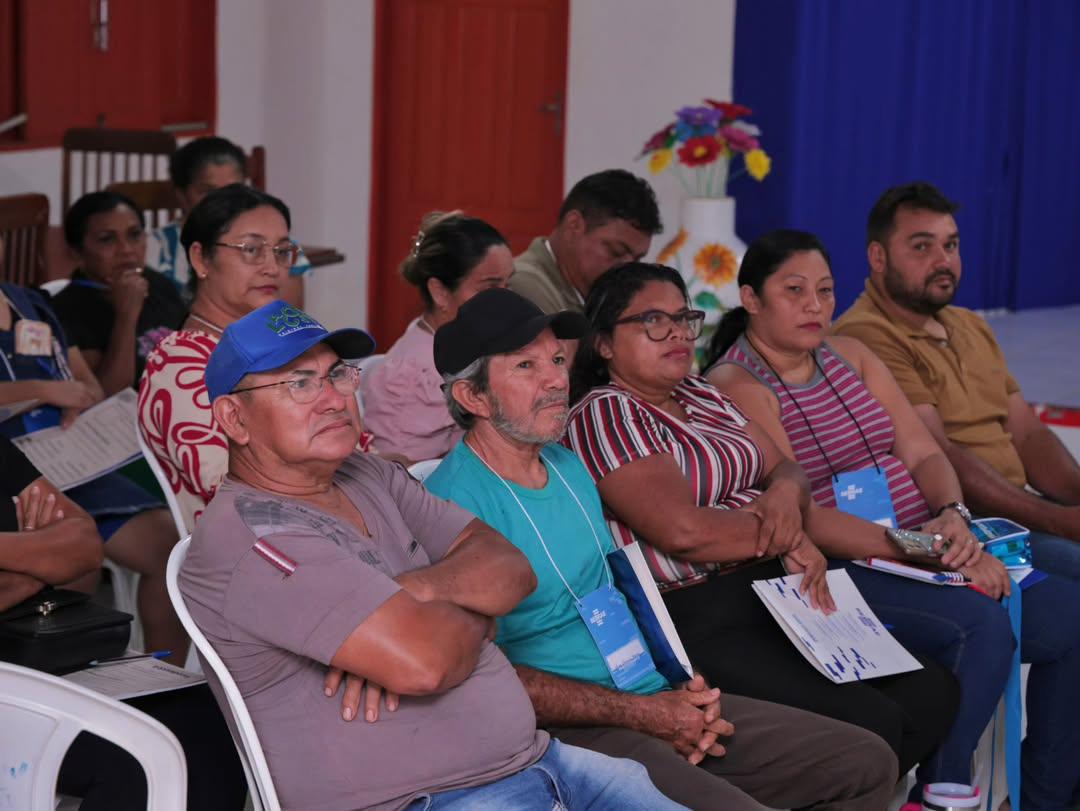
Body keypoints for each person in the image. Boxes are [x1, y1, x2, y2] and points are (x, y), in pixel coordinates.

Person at [181, 298, 685, 811]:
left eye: (336, 375)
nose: (332, 399)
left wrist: (414, 591)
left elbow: (512, 568)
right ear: (234, 418)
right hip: (428, 799)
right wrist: (480, 613)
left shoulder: (368, 474)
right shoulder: (253, 538)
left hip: (541, 761)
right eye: (299, 383)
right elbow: (424, 665)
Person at [424, 287, 899, 810]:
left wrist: (679, 686)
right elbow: (484, 674)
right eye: (525, 366)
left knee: (864, 761)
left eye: (557, 360)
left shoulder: (566, 465)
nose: (557, 379)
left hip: (650, 692)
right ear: (472, 397)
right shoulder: (448, 505)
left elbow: (617, 590)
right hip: (569, 730)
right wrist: (641, 714)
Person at [704, 229, 1080, 809]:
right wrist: (929, 550)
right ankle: (943, 790)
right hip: (847, 562)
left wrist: (952, 516)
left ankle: (1045, 796)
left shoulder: (850, 354)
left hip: (930, 539)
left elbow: (923, 451)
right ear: (751, 299)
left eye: (826, 290)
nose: (815, 305)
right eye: (794, 290)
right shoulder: (737, 383)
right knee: (1000, 623)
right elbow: (806, 517)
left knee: (1072, 599)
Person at [565, 262, 960, 779]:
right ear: (604, 343)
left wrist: (785, 500)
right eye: (654, 322)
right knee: (872, 722)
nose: (678, 333)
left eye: (684, 319)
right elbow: (683, 532)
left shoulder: (700, 394)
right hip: (699, 613)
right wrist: (784, 533)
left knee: (932, 689)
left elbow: (788, 470)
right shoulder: (606, 413)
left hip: (776, 589)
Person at [833, 182, 1080, 581]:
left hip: (1025, 509)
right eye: (922, 247)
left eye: (951, 245)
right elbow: (939, 453)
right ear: (878, 257)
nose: (943, 260)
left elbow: (1028, 434)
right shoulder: (865, 337)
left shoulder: (968, 324)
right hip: (962, 524)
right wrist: (1057, 520)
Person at [0, 432, 245, 811]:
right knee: (134, 758)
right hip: (13, 683)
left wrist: (15, 563)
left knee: (211, 719)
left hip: (38, 652)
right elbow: (61, 559)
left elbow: (84, 546)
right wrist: (37, 562)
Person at [0, 278, 187, 664]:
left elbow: (90, 386)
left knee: (169, 548)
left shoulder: (32, 303)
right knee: (65, 569)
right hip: (20, 459)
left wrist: (77, 397)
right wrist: (40, 390)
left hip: (70, 461)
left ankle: (163, 675)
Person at [138, 184, 333, 531]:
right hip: (260, 543)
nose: (272, 267)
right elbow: (232, 489)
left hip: (331, 518)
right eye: (251, 250)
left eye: (282, 251)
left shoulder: (290, 347)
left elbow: (356, 445)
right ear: (201, 259)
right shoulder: (182, 364)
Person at [360, 211, 513, 462]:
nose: (506, 299)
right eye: (490, 287)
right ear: (440, 292)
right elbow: (401, 474)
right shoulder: (414, 379)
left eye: (509, 284)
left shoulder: (468, 343)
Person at [50, 190, 187, 396]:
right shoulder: (65, 311)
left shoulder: (157, 283)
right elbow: (108, 398)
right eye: (107, 240)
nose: (126, 249)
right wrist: (127, 315)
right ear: (77, 253)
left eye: (135, 235)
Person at [144, 135, 308, 306]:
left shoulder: (280, 246)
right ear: (181, 195)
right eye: (208, 192)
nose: (224, 201)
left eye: (234, 190)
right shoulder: (155, 249)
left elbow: (288, 315)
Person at [510, 169, 662, 313]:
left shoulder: (599, 294)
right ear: (574, 225)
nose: (628, 271)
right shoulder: (523, 286)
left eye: (637, 260)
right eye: (616, 252)